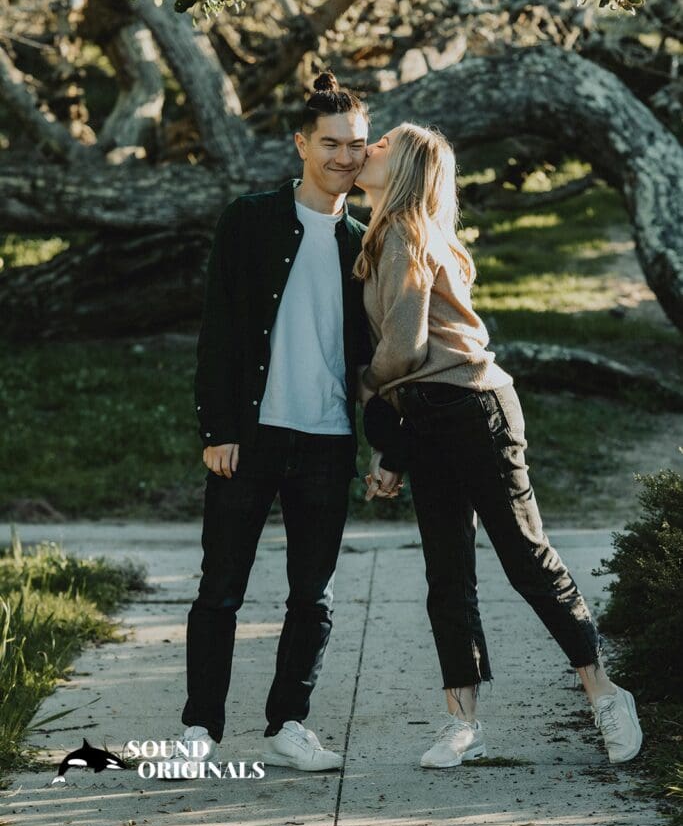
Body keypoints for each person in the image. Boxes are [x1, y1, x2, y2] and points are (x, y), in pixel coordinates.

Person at [353, 122, 643, 769]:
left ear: (405, 169)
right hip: (429, 415)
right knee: (446, 573)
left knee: (524, 557)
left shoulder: (404, 234)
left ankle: (605, 693)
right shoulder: (385, 235)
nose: (367, 149)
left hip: (472, 410)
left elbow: (405, 350)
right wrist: (393, 446)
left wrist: (366, 388)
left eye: (381, 144)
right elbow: (411, 370)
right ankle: (462, 724)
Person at [173, 72, 371, 774]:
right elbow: (219, 331)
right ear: (300, 144)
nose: (344, 156)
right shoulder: (249, 220)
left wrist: (386, 444)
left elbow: (375, 354)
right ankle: (201, 729)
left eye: (356, 144)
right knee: (220, 589)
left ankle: (289, 725)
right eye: (330, 143)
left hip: (327, 439)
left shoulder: (367, 239)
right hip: (251, 436)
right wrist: (216, 429)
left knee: (312, 597)